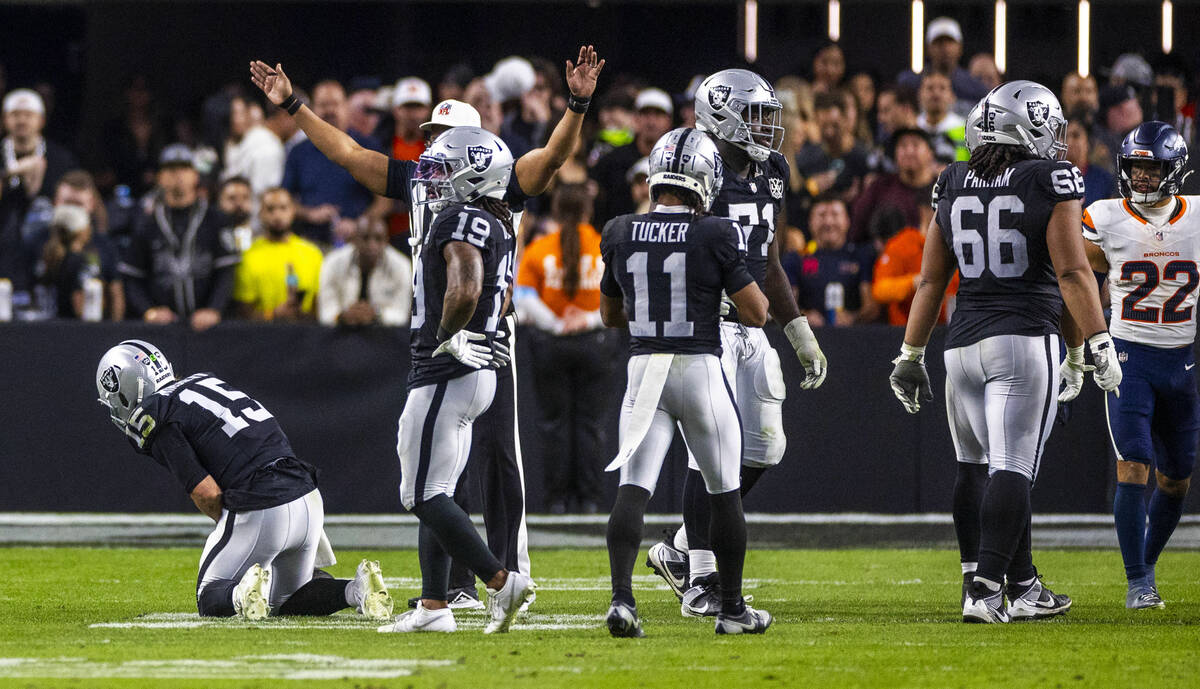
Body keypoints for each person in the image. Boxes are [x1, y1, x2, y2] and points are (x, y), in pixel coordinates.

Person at [250, 45, 604, 597]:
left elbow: (551, 160)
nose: (432, 150)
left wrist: (577, 105)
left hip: (481, 333)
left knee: (494, 456)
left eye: (444, 141)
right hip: (439, 331)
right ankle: (454, 585)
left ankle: (509, 571)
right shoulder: (419, 178)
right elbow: (345, 152)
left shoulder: (499, 181)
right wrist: (293, 105)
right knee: (442, 468)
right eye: (431, 139)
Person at [888, 80, 1122, 623]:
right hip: (1020, 340)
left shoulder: (951, 179)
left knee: (974, 468)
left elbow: (929, 283)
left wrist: (909, 353)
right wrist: (1098, 339)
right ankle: (988, 591)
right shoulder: (1049, 177)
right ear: (1027, 127)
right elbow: (1070, 271)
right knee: (1013, 467)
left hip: (960, 343)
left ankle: (1012, 582)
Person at [644, 69, 826, 616]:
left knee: (765, 446)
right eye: (756, 115)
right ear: (720, 114)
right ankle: (700, 577)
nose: (769, 127)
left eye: (770, 115)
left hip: (750, 324)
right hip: (705, 323)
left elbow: (767, 261)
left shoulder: (772, 169)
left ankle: (678, 548)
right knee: (712, 452)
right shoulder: (694, 163)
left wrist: (798, 333)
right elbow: (664, 243)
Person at [600, 128, 771, 637]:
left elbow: (611, 315)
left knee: (633, 489)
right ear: (705, 178)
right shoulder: (716, 231)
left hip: (644, 369)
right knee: (725, 493)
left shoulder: (619, 230)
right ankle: (733, 610)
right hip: (698, 367)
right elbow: (758, 312)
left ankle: (622, 600)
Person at [95, 340, 393, 620]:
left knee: (210, 595)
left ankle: (241, 593)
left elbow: (206, 493)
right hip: (307, 495)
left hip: (263, 503)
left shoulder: (154, 413)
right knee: (288, 599)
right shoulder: (205, 382)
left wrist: (236, 524)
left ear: (123, 389)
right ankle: (357, 590)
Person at [385, 127, 534, 634]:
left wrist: (446, 335)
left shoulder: (463, 217)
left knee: (421, 495)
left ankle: (499, 580)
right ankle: (435, 607)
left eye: (444, 169)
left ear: (477, 174)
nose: (433, 179)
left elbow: (466, 286)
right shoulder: (497, 219)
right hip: (478, 368)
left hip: (449, 366)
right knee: (439, 488)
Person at [1067, 122, 1198, 609]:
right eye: (1135, 167)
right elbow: (1077, 279)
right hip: (1129, 358)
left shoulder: (1197, 215)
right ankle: (1139, 582)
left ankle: (1146, 563)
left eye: (1151, 168)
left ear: (1174, 170)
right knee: (1134, 465)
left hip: (1180, 362)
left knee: (1177, 477)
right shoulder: (1104, 215)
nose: (1141, 177)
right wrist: (1077, 352)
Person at [515, 183, 613, 514]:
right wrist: (584, 320)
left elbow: (523, 298)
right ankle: (589, 501)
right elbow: (621, 297)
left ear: (555, 210)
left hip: (550, 344)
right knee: (590, 424)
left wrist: (558, 324)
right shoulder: (604, 244)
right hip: (594, 344)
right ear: (588, 210)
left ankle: (556, 500)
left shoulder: (540, 248)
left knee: (553, 425)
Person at [118, 144, 238, 331]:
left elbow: (226, 271)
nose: (178, 175)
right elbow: (132, 276)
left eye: (184, 168)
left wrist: (214, 309)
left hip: (208, 328)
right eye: (171, 169)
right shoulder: (146, 223)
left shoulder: (215, 219)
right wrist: (149, 311)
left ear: (195, 175)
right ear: (160, 177)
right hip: (161, 329)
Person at [281, 80, 383, 245]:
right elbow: (284, 199)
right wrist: (310, 214)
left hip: (359, 243)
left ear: (346, 107)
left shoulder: (369, 146)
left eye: (335, 104)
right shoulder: (298, 152)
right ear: (312, 109)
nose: (329, 110)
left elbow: (385, 201)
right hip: (311, 243)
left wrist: (360, 223)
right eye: (323, 105)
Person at [1, 89, 79, 298]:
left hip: (48, 241)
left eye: (28, 115)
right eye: (15, 115)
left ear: (41, 120)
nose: (22, 121)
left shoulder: (60, 159)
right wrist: (9, 173)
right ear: (4, 119)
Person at [233, 187, 322, 321]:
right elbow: (244, 312)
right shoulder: (247, 256)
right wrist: (273, 315)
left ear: (293, 210)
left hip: (307, 333)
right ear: (260, 213)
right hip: (263, 335)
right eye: (270, 209)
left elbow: (320, 305)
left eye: (283, 208)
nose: (277, 215)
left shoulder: (312, 253)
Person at [591, 88, 674, 226]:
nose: (651, 121)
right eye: (646, 114)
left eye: (658, 114)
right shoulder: (612, 160)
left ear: (669, 120)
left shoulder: (678, 163)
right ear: (635, 118)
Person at [794, 196, 878, 326]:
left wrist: (852, 318)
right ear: (810, 221)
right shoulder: (797, 258)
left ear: (847, 221)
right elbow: (785, 304)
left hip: (855, 336)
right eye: (821, 215)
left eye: (835, 214)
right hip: (808, 336)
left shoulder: (862, 256)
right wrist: (803, 316)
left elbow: (872, 307)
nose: (828, 222)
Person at [317, 215, 412, 327]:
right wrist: (342, 316)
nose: (372, 245)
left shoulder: (402, 266)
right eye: (365, 238)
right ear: (355, 240)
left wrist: (376, 314)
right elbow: (326, 313)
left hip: (384, 336)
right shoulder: (332, 263)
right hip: (341, 333)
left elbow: (401, 314)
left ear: (387, 241)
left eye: (378, 239)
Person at [38, 204, 123, 320]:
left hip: (58, 322)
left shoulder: (53, 256)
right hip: (81, 328)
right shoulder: (81, 260)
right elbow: (80, 306)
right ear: (80, 231)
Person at [852, 128, 937, 243]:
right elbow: (857, 228)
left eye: (915, 145)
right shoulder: (879, 187)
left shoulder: (944, 188)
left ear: (930, 153)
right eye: (903, 146)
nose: (909, 151)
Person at [897, 17, 988, 105]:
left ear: (960, 47)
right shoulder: (909, 84)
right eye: (938, 42)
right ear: (928, 48)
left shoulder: (976, 88)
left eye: (950, 42)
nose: (945, 48)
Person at [222, 93, 285, 196]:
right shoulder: (231, 144)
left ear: (251, 113)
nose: (235, 119)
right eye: (232, 114)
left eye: (240, 113)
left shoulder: (264, 142)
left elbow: (263, 190)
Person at [917, 71, 967, 163]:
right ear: (919, 95)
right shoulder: (913, 128)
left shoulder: (966, 131)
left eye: (942, 88)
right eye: (930, 88)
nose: (936, 94)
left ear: (952, 97)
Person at [1065, 117, 1115, 206]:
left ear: (1088, 141)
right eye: (1063, 136)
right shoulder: (1050, 179)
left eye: (1075, 136)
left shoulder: (1103, 179)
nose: (1069, 142)